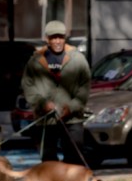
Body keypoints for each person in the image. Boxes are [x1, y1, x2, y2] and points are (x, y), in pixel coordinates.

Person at [21, 20, 91, 164]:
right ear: (47, 39)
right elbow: (28, 86)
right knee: (48, 163)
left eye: (61, 37)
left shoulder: (78, 59)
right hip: (45, 120)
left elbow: (84, 88)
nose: (58, 41)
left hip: (72, 119)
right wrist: (41, 103)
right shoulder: (35, 61)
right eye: (54, 38)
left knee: (75, 161)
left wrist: (71, 107)